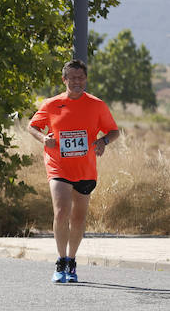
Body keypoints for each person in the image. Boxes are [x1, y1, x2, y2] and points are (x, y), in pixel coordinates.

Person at [28, 59, 119, 284]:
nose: (77, 82)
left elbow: (114, 131)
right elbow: (32, 126)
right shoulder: (51, 104)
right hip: (58, 165)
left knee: (78, 217)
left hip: (85, 168)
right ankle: (60, 261)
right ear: (64, 79)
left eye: (81, 78)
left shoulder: (96, 105)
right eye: (72, 78)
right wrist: (44, 138)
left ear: (85, 79)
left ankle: (71, 260)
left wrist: (103, 141)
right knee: (61, 212)